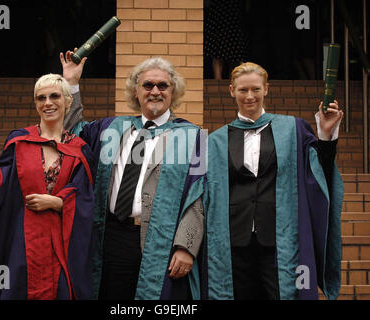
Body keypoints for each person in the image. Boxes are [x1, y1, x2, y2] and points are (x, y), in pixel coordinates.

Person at [61, 52, 206, 300]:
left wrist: (186, 246)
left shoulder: (193, 137)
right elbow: (72, 132)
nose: (155, 91)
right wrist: (71, 83)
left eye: (163, 85)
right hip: (112, 235)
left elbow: (199, 196)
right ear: (136, 92)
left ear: (173, 92)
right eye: (147, 85)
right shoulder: (110, 129)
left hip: (163, 240)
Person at [200, 62, 344, 299]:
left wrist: (326, 136)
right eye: (243, 90)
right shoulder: (216, 140)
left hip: (279, 240)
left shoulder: (293, 129)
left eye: (255, 89)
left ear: (266, 89)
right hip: (233, 241)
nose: (249, 96)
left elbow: (317, 172)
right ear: (231, 91)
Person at [0, 74, 95, 300]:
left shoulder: (79, 148)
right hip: (22, 241)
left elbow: (84, 195)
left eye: (54, 96)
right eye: (41, 98)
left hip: (60, 246)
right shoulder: (19, 140)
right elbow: (2, 182)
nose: (47, 103)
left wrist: (58, 202)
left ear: (67, 101)